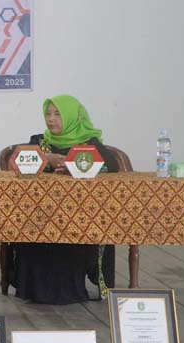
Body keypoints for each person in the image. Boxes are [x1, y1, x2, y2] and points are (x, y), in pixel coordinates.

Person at [10, 94, 120, 305]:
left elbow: (111, 166)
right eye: (48, 114)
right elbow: (22, 164)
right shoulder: (39, 142)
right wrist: (46, 160)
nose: (51, 119)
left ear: (73, 117)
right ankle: (35, 290)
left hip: (80, 218)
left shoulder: (88, 143)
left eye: (58, 114)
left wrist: (75, 167)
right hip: (40, 216)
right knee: (31, 233)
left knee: (78, 236)